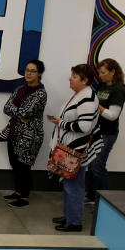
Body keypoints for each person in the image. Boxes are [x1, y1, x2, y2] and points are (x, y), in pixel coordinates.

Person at [47, 64, 100, 232]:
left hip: (77, 150)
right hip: (69, 147)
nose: (70, 78)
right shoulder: (79, 95)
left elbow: (85, 126)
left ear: (85, 80)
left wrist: (60, 123)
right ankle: (69, 215)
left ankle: (75, 222)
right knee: (69, 184)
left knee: (74, 186)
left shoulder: (88, 97)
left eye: (75, 76)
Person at [1, 60, 47, 207]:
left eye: (33, 71)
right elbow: (6, 108)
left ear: (39, 73)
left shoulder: (40, 93)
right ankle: (18, 192)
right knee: (15, 164)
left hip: (30, 135)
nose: (28, 73)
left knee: (24, 166)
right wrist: (20, 114)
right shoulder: (20, 89)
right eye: (27, 70)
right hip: (14, 132)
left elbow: (25, 111)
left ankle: (24, 197)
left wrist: (18, 111)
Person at [86, 58, 125, 204]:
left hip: (107, 133)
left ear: (113, 72)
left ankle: (106, 200)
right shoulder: (102, 86)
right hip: (95, 131)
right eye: (99, 72)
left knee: (98, 166)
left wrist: (97, 106)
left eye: (103, 72)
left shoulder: (118, 90)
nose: (100, 75)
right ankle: (91, 196)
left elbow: (113, 115)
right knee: (91, 165)